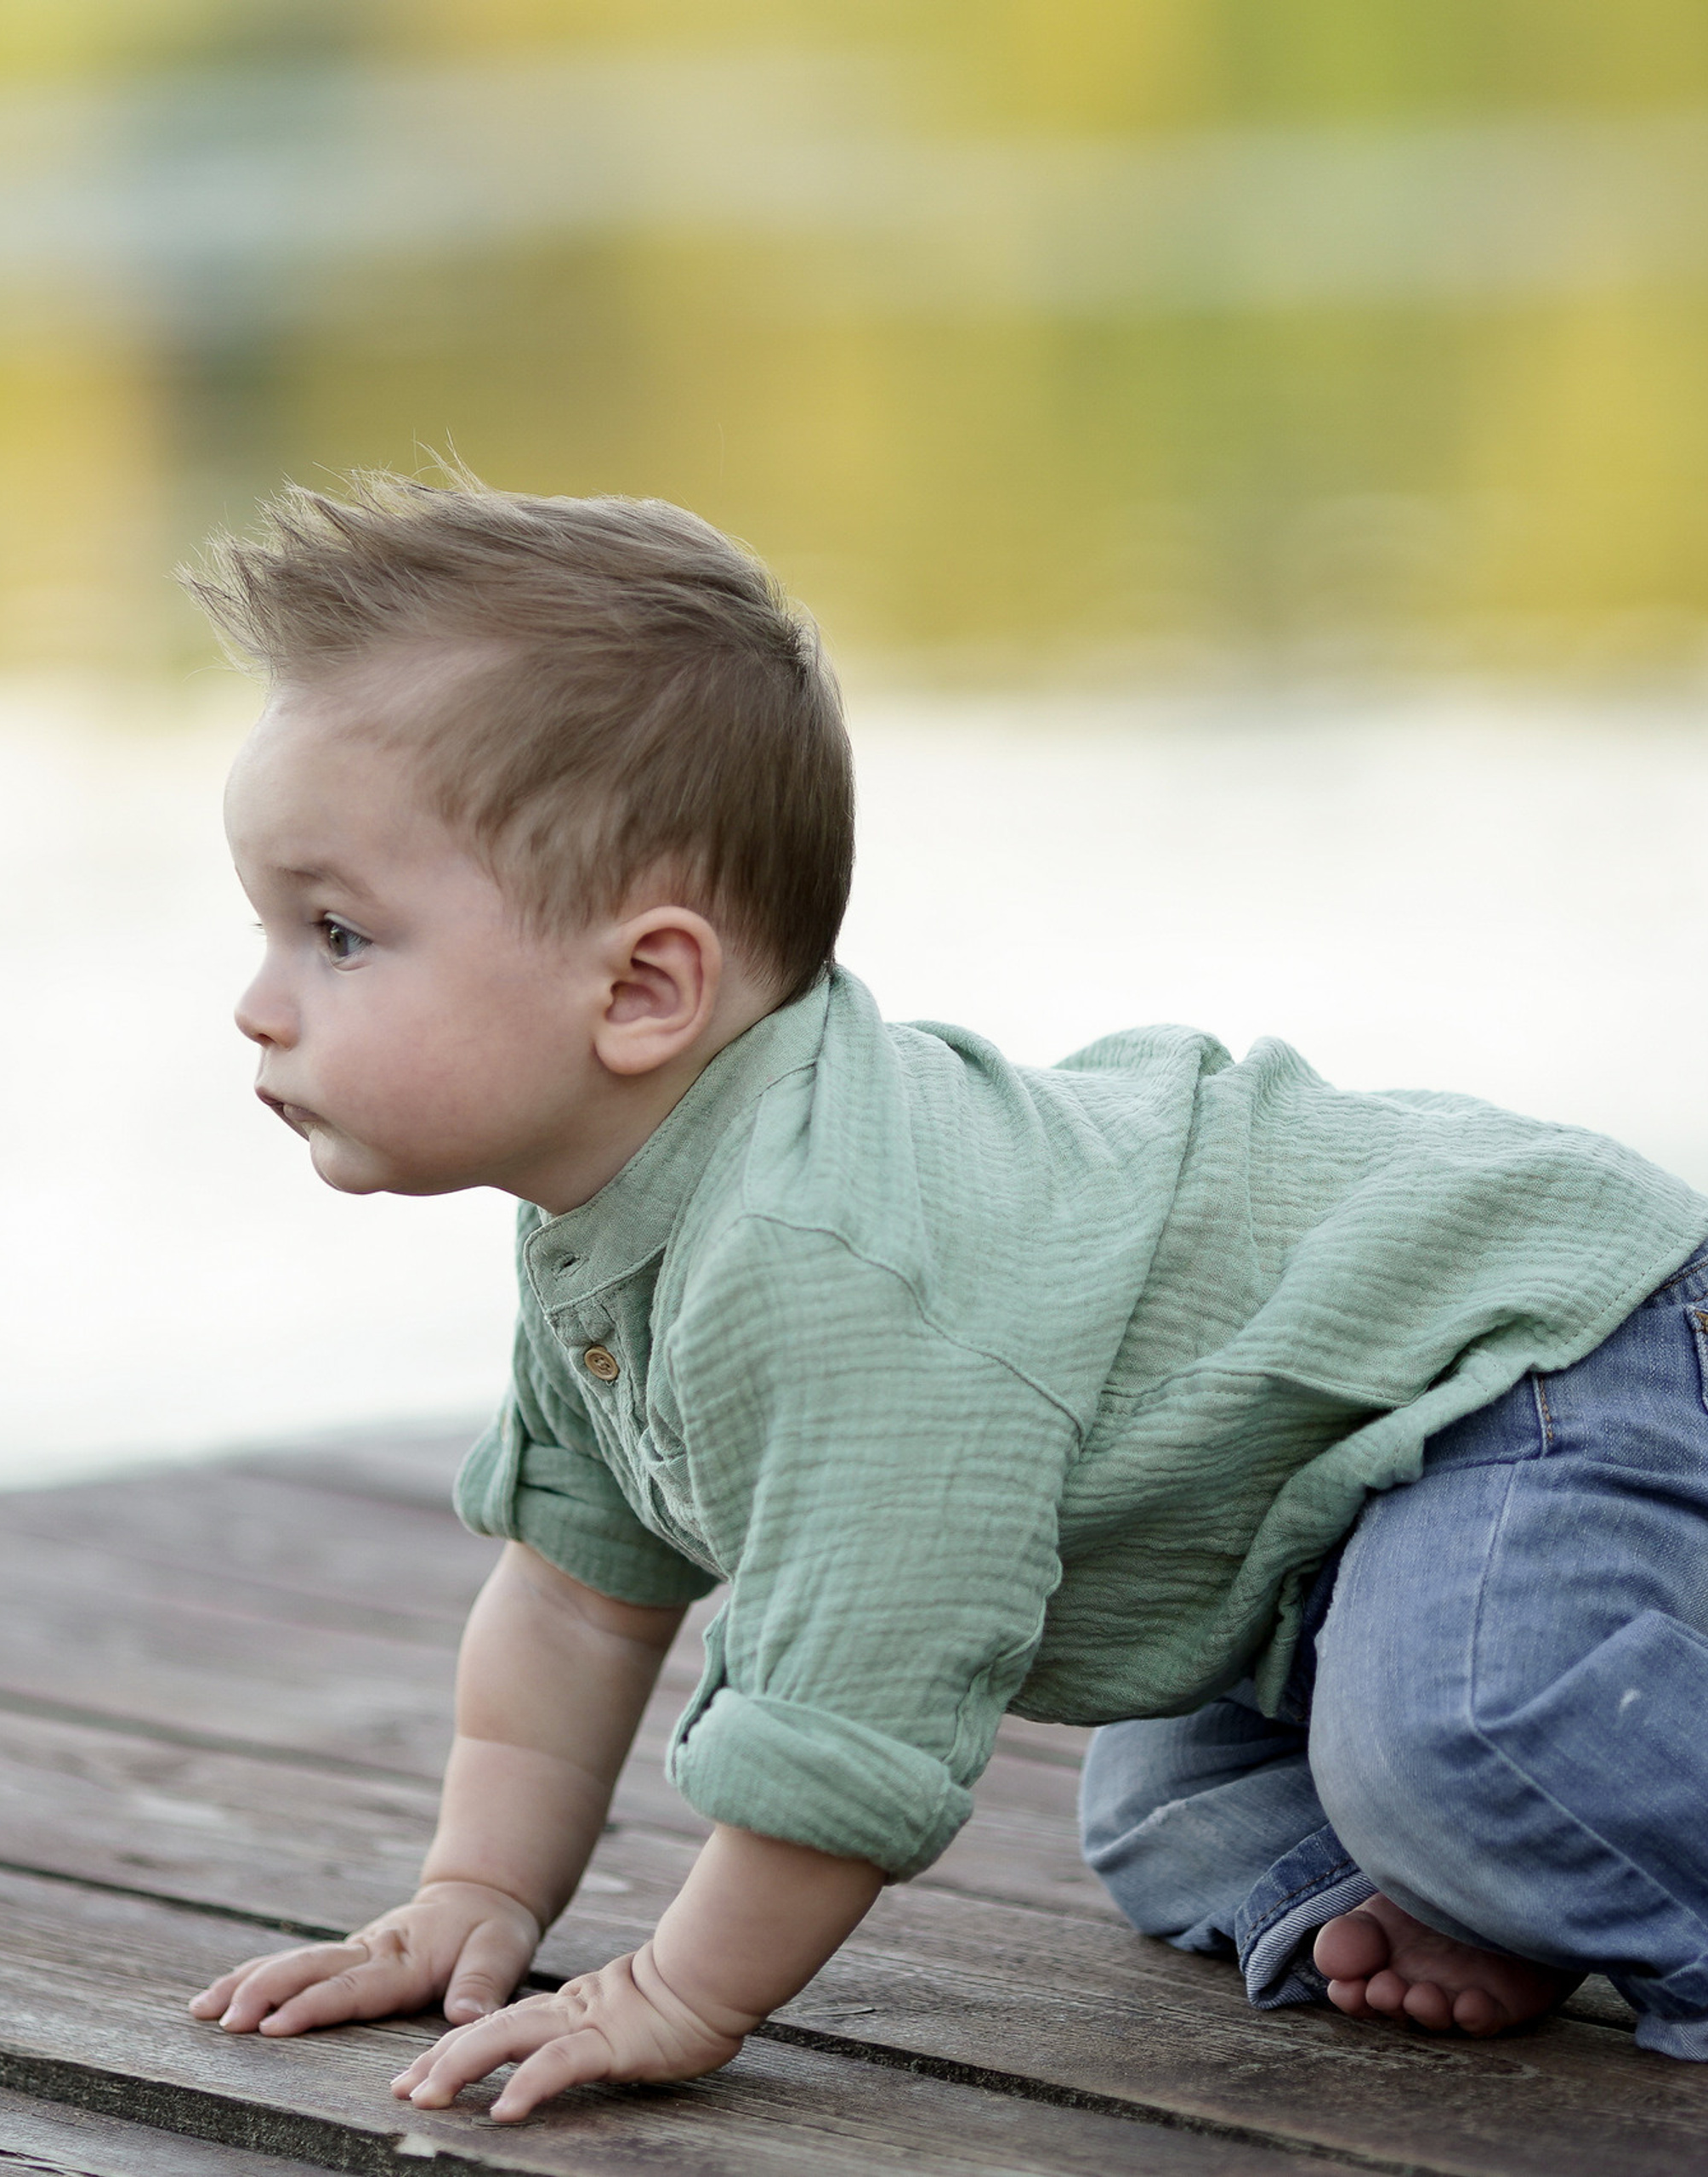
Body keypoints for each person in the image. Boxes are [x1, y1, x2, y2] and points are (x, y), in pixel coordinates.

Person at [180, 469, 1708, 2122]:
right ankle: (1478, 1879)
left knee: (1451, 1740)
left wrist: (673, 1987)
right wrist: (475, 1895)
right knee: (1159, 1806)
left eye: (335, 931)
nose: (258, 1003)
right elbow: (571, 1598)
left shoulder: (828, 1258)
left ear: (640, 986)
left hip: (1540, 1353)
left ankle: (1511, 1830)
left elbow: (850, 1711)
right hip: (1320, 1523)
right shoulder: (607, 1221)